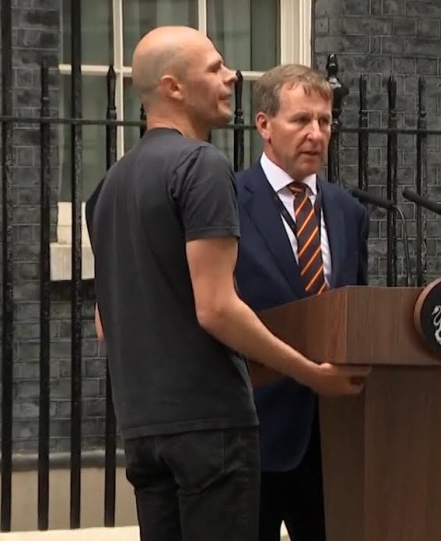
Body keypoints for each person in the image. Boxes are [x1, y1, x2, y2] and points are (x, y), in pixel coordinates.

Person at [88, 27, 369, 541]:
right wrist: (310, 373)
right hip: (212, 427)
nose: (232, 76)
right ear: (174, 87)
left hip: (144, 427)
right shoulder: (201, 165)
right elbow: (217, 307)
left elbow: (105, 321)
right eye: (216, 68)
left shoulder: (107, 186)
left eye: (324, 121)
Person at [232, 64, 370, 541]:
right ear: (265, 125)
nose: (316, 134)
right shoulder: (228, 199)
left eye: (325, 121)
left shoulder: (349, 211)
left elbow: (355, 310)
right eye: (301, 121)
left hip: (332, 436)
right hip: (255, 430)